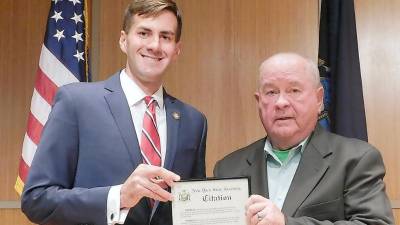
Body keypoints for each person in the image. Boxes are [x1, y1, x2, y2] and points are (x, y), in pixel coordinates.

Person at [21, 1, 207, 225]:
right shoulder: (76, 103)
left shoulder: (194, 121)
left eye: (165, 37)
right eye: (144, 33)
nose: (155, 45)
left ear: (177, 50)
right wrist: (118, 197)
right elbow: (36, 200)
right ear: (123, 40)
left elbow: (193, 211)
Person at [214, 53, 394, 225]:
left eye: (294, 90)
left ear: (319, 99)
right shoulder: (228, 168)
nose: (281, 102)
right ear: (258, 101)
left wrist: (286, 223)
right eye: (271, 92)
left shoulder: (356, 160)